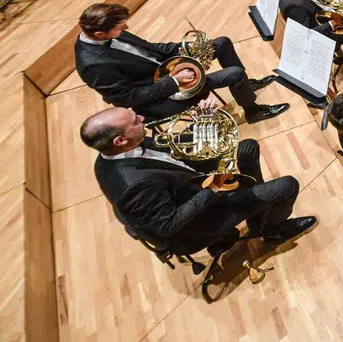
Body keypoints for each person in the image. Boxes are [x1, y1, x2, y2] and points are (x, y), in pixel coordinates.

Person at [83, 104, 315, 256]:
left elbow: (173, 150)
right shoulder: (134, 186)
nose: (142, 118)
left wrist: (200, 124)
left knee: (247, 148)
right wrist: (214, 188)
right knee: (287, 186)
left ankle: (258, 212)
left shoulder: (117, 152)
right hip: (199, 220)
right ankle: (273, 232)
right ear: (120, 140)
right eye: (135, 121)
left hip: (192, 186)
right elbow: (168, 225)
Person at [75, 3, 287, 122]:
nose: (126, 28)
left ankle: (245, 88)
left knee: (221, 43)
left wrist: (186, 49)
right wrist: (175, 82)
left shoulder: (109, 34)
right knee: (234, 73)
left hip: (168, 71)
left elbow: (151, 49)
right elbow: (128, 98)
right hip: (160, 95)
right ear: (100, 34)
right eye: (120, 28)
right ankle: (253, 111)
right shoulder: (93, 65)